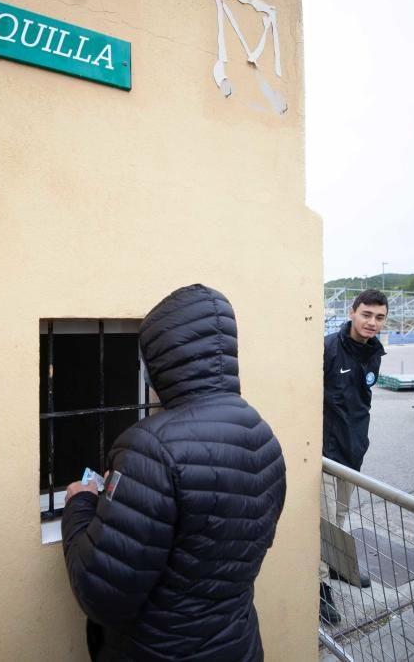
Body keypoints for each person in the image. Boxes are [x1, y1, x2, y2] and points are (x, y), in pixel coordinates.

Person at [61, 284, 287, 662]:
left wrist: (79, 504)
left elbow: (100, 593)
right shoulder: (263, 436)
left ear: (164, 357)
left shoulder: (150, 449)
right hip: (239, 647)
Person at [319, 289, 388, 624]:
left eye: (379, 317)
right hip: (325, 454)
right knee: (326, 523)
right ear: (352, 312)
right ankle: (319, 588)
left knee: (341, 517)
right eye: (366, 314)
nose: (372, 323)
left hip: (353, 451)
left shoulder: (374, 352)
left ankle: (337, 568)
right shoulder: (329, 348)